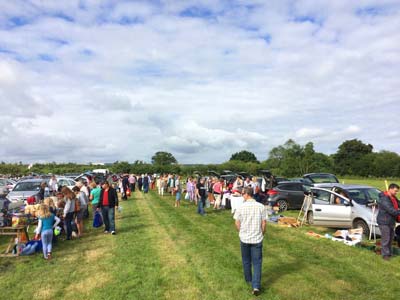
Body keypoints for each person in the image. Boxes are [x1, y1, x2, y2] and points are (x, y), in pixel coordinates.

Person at [233, 187, 267, 296]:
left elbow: (237, 223)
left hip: (244, 238)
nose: (242, 196)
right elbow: (264, 223)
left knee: (246, 260)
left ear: (247, 194)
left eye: (243, 194)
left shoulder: (241, 207)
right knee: (257, 263)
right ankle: (256, 285)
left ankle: (248, 280)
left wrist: (241, 231)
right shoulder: (261, 206)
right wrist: (262, 233)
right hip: (257, 238)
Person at [377, 183, 400, 260]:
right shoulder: (384, 199)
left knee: (390, 238)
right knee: (386, 239)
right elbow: (392, 210)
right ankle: (385, 255)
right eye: (395, 191)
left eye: (397, 191)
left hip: (391, 221)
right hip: (384, 221)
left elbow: (398, 204)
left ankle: (389, 253)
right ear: (390, 189)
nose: (396, 193)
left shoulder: (393, 197)